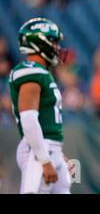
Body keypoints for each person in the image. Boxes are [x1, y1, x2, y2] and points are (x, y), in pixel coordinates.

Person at [8, 18, 72, 193]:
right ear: (40, 42)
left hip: (48, 148)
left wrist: (56, 154)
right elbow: (28, 119)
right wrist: (44, 158)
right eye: (54, 42)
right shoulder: (30, 70)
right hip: (37, 151)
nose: (57, 47)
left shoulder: (43, 73)